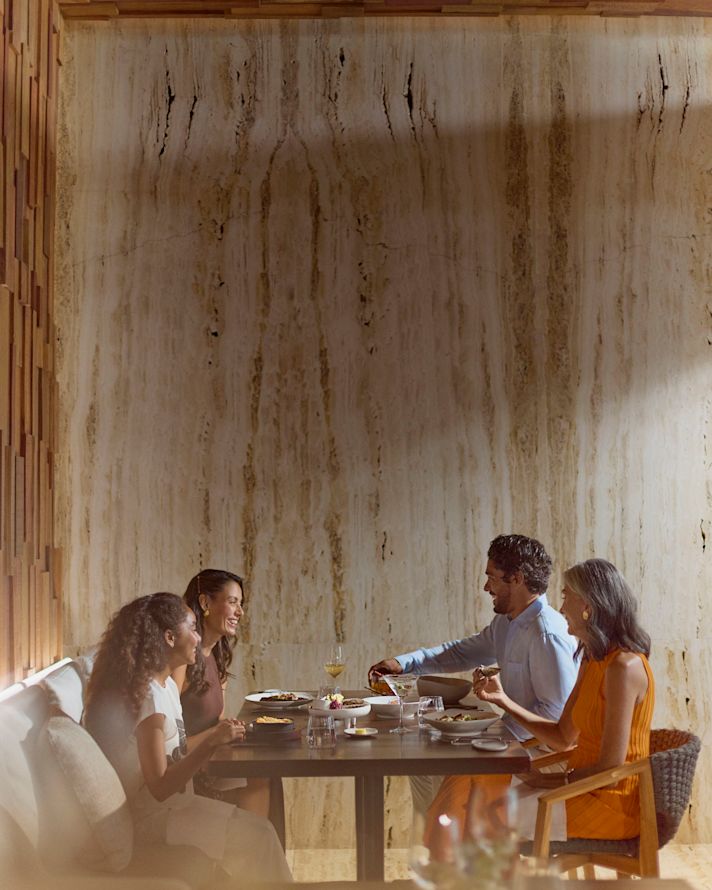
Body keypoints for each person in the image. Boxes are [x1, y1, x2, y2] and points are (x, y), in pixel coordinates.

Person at [429, 558, 654, 847]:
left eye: (566, 597)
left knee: (476, 807)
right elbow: (562, 738)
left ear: (588, 605)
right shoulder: (593, 659)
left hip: (606, 803)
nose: (560, 608)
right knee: (473, 780)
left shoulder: (623, 668)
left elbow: (610, 772)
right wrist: (503, 700)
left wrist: (551, 782)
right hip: (578, 789)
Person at [83, 592, 292, 885]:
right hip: (156, 820)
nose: (197, 637)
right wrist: (210, 743)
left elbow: (175, 755)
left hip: (176, 808)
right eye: (192, 628)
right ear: (170, 638)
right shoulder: (150, 700)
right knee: (261, 837)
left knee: (261, 835)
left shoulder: (166, 685)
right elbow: (159, 786)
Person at [368, 534, 579, 814]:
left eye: (492, 577)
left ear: (516, 578)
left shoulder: (546, 633)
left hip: (537, 755)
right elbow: (460, 653)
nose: (485, 586)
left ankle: (445, 846)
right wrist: (403, 663)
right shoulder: (506, 623)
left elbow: (556, 715)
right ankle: (436, 848)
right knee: (420, 760)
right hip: (513, 739)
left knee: (438, 763)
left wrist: (495, 734)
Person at [174, 570, 272, 821]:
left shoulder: (216, 655)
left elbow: (216, 719)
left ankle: (258, 853)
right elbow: (170, 745)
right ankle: (253, 854)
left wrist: (234, 729)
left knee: (267, 765)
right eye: (232, 602)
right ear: (205, 603)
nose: (240, 612)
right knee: (260, 773)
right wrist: (217, 735)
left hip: (211, 757)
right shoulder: (180, 660)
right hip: (188, 771)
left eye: (241, 604)